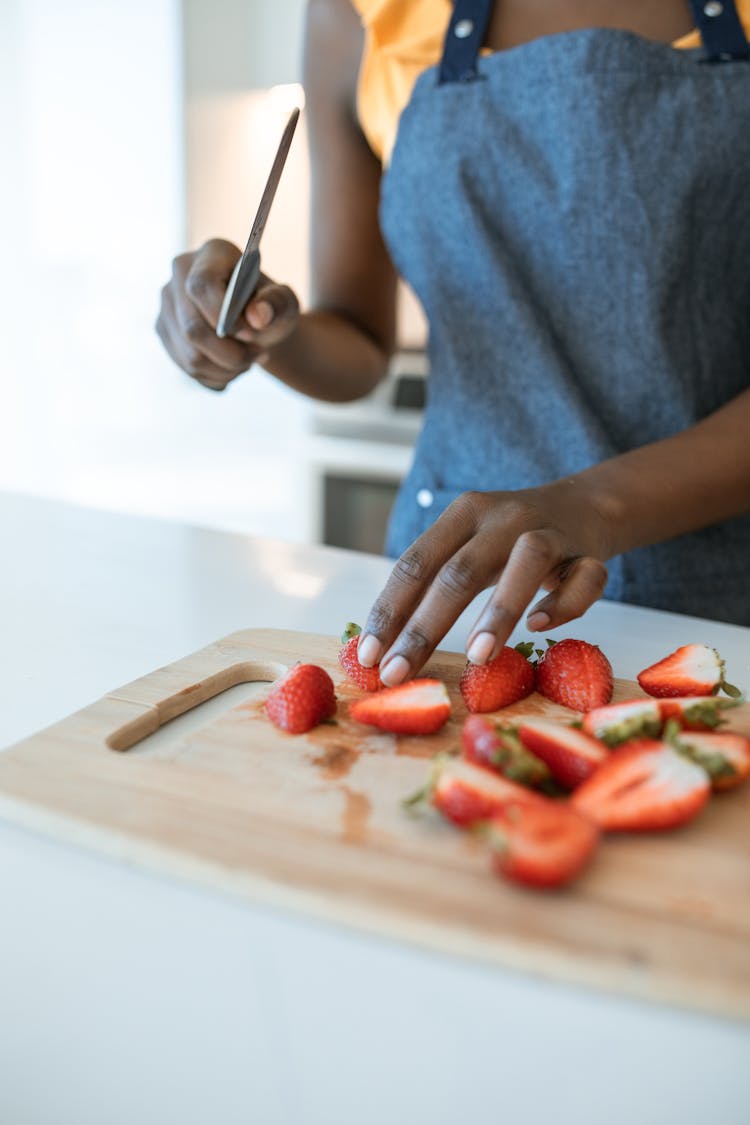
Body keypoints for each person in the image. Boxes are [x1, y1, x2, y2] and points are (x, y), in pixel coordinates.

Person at [157, 0, 750, 687]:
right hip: (453, 603)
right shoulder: (355, 14)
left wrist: (590, 504)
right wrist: (264, 333)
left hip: (723, 605)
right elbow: (357, 337)